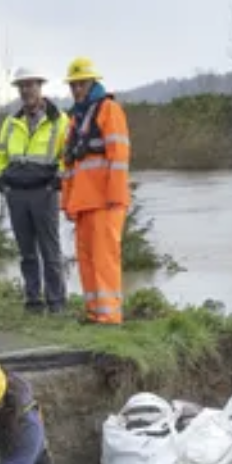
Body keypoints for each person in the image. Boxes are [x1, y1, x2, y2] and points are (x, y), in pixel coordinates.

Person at [0, 66, 69, 314]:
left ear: (40, 87)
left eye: (30, 85)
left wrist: (59, 180)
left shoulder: (60, 121)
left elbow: (69, 155)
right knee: (26, 253)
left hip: (45, 192)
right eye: (22, 86)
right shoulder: (11, 123)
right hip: (17, 194)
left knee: (50, 251)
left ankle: (56, 303)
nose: (26, 91)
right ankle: (33, 302)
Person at [60, 57, 131, 325]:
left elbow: (119, 155)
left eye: (81, 84)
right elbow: (69, 165)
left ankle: (110, 316)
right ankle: (94, 312)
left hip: (105, 201)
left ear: (93, 83)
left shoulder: (108, 109)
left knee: (104, 259)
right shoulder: (76, 119)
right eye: (73, 85)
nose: (77, 89)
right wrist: (67, 202)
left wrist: (115, 196)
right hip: (83, 203)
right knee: (87, 260)